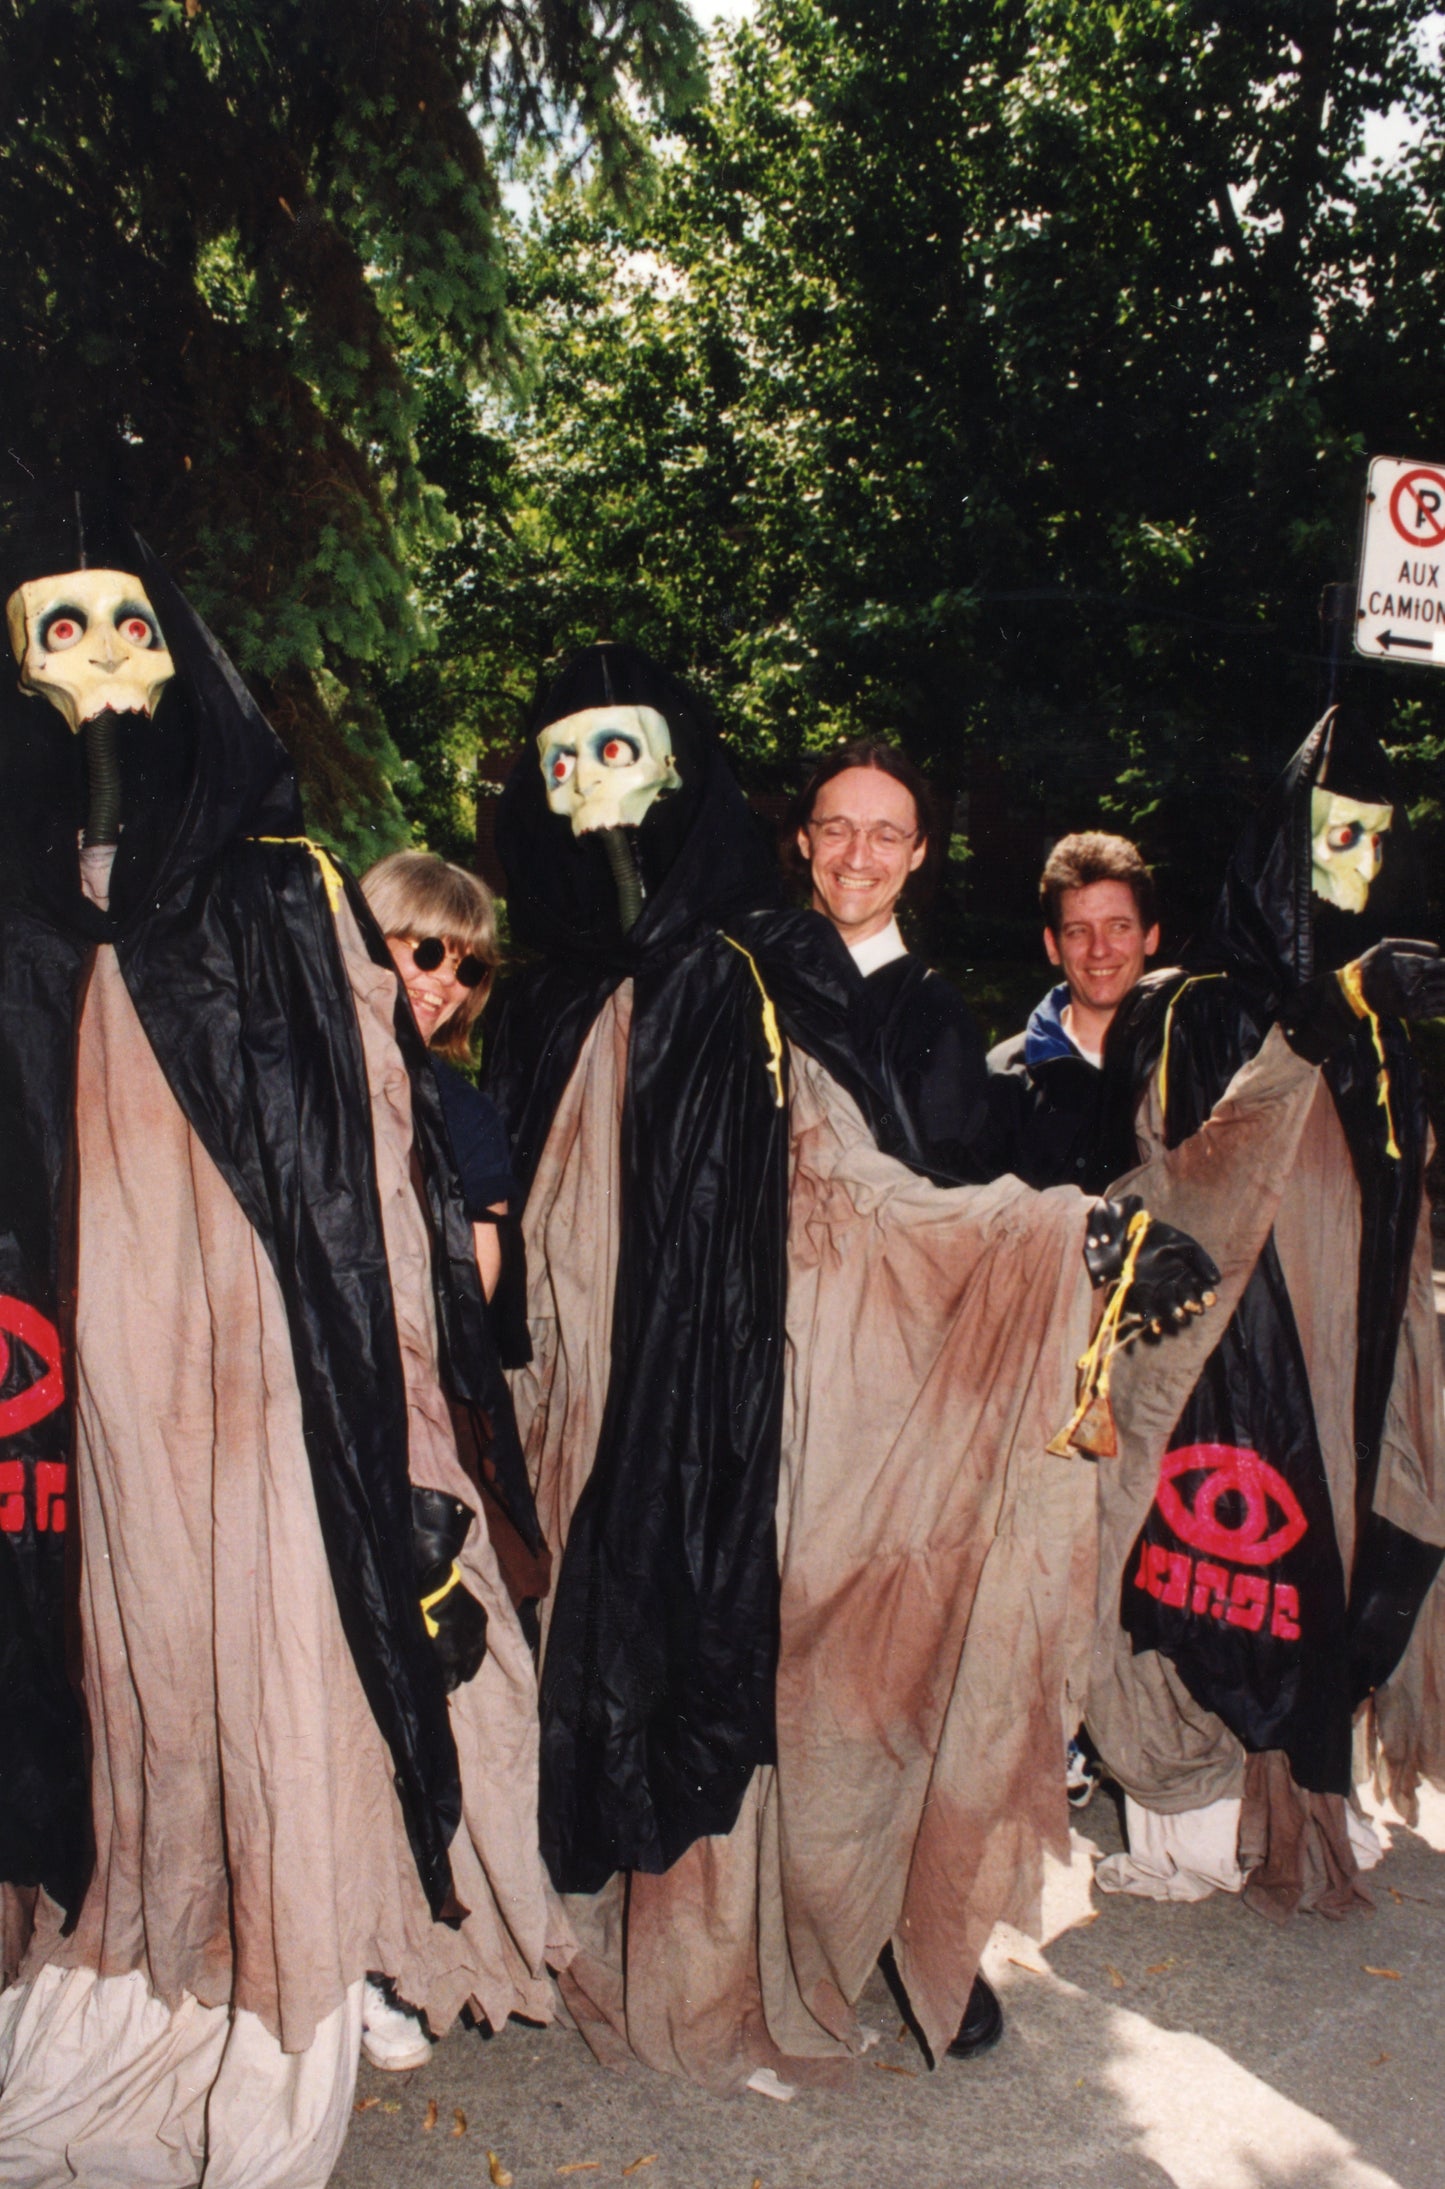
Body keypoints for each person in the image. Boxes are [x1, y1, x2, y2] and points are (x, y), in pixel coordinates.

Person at [482, 641, 1233, 2095]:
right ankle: (620, 1924)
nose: (588, 796)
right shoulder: (566, 993)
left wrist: (1065, 1245)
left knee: (825, 1656)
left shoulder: (769, 986)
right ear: (801, 840)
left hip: (809, 1383)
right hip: (589, 1404)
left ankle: (850, 1933)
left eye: (617, 754)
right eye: (559, 763)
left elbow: (862, 1194)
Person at [0, 493, 555, 2187]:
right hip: (87, 1399)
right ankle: (141, 1978)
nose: (102, 659)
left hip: (267, 1388)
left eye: (134, 622)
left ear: (187, 656)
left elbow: (376, 1178)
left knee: (277, 1678)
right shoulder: (17, 902)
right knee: (131, 1677)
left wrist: (405, 1422)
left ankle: (287, 2026)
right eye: (60, 626)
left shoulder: (285, 893)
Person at [1083, 705, 1445, 1917]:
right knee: (1207, 1572)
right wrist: (1324, 1011)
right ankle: (1183, 1829)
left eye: (1372, 841)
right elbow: (1189, 1171)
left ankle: (1284, 1806)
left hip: (1350, 1351)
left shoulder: (1383, 1024)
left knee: (1343, 1556)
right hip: (1224, 1357)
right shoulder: (1196, 1006)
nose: (1353, 864)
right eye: (1328, 837)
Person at [789, 738, 1004, 1185]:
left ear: (918, 851)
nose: (857, 855)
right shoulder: (747, 977)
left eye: (886, 835)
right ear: (805, 838)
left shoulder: (937, 1021)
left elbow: (942, 1202)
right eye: (836, 829)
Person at [361, 852, 514, 1302]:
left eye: (466, 968)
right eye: (429, 952)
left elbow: (476, 1277)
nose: (445, 981)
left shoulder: (468, 1116)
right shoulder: (292, 1064)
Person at [988, 832, 1160, 1192]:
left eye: (1118, 927)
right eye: (1079, 931)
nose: (1100, 950)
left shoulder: (1192, 1064)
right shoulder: (1004, 1079)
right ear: (1053, 946)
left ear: (1150, 936)